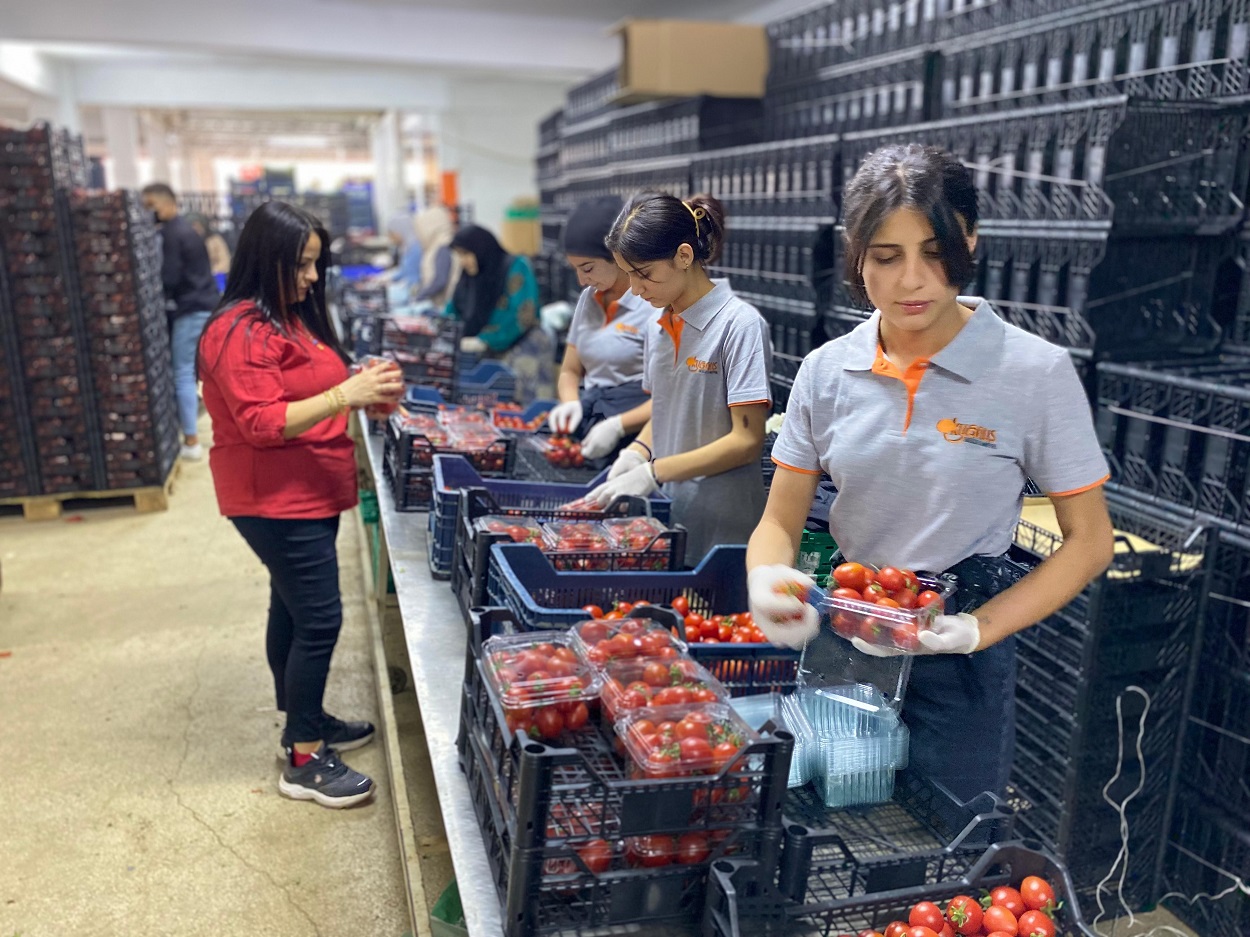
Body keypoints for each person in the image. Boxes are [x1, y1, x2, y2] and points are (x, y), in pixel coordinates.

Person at [745, 144, 1115, 803]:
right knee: (840, 820)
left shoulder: (1034, 373)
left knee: (946, 847)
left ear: (970, 241)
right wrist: (767, 577)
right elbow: (779, 518)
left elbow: (1089, 542)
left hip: (960, 650)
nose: (911, 279)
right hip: (849, 637)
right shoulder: (828, 371)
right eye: (885, 256)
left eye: (934, 250)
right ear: (855, 253)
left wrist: (983, 627)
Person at [197, 201, 404, 809]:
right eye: (303, 265)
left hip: (305, 492)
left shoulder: (286, 317)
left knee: (290, 610)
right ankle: (304, 755)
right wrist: (346, 392)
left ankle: (304, 716)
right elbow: (261, 422)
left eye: (317, 264)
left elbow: (304, 389)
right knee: (319, 620)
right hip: (274, 497)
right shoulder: (239, 330)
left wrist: (358, 391)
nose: (314, 278)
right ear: (268, 260)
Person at [586, 192, 773, 565]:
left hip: (724, 530)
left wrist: (655, 471)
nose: (637, 290)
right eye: (630, 276)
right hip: (671, 518)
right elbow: (669, 409)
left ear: (684, 256)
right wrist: (637, 450)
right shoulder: (663, 323)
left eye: (645, 275)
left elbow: (746, 440)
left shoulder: (739, 326)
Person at [547, 195, 655, 459]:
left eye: (588, 268)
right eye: (575, 269)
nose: (582, 280)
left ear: (618, 257)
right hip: (592, 420)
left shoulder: (654, 305)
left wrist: (618, 427)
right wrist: (571, 402)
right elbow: (570, 370)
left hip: (635, 439)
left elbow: (672, 397)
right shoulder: (589, 299)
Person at [142, 183, 221, 461]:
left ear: (163, 204)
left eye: (149, 205)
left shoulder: (174, 234)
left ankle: (190, 440)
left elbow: (171, 278)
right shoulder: (186, 231)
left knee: (182, 374)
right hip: (206, 304)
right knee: (208, 372)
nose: (147, 212)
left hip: (192, 309)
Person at [446, 224, 555, 404]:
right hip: (489, 349)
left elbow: (523, 315)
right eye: (459, 255)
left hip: (523, 342)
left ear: (481, 249)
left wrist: (485, 340)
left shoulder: (515, 267)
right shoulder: (470, 277)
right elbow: (453, 310)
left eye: (466, 254)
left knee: (523, 406)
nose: (463, 261)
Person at [412, 206, 459, 306]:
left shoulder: (443, 247)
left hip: (444, 306)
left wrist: (419, 297)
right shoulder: (442, 245)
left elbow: (440, 281)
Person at [186, 212, 233, 278]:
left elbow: (225, 262)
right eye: (192, 226)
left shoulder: (215, 240)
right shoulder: (183, 243)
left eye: (197, 225)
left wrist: (210, 273)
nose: (195, 229)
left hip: (213, 277)